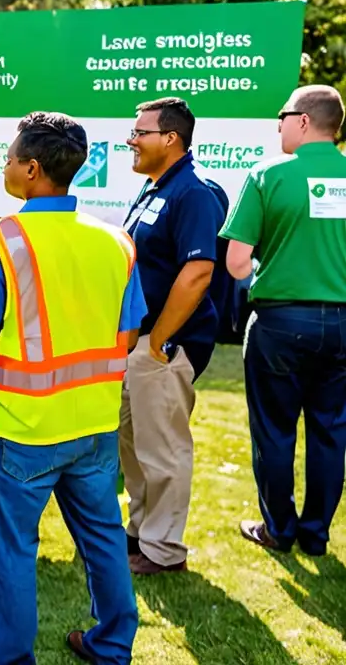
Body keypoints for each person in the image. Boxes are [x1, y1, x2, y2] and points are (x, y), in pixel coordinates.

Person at [0, 112, 144, 665]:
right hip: (95, 424)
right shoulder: (116, 241)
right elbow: (126, 334)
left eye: (11, 158)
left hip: (20, 427)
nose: (6, 165)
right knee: (104, 539)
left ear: (32, 170)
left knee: (13, 551)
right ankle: (112, 645)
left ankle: (8, 658)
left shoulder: (0, 242)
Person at [220, 85, 346, 556]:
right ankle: (316, 535)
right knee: (331, 431)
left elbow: (236, 262)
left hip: (280, 322)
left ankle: (279, 529)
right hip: (343, 323)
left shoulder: (267, 174)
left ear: (304, 121)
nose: (278, 125)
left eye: (282, 115)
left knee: (274, 430)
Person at [119, 97, 225, 575]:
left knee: (162, 448)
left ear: (171, 139)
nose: (131, 139)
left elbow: (198, 272)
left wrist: (158, 341)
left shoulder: (195, 192)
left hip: (166, 346)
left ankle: (163, 552)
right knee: (135, 444)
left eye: (140, 132)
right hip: (139, 343)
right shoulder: (152, 188)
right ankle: (140, 533)